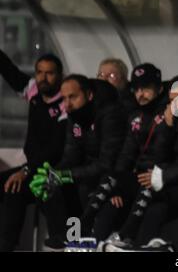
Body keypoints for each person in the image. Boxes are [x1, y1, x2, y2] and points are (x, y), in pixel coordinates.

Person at [104, 74, 178, 251]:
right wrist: (167, 127)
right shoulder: (176, 119)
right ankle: (142, 246)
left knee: (150, 187)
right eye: (173, 101)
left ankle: (125, 237)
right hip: (170, 183)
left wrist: (163, 175)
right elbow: (160, 157)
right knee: (119, 186)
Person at [78, 63, 173, 243]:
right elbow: (126, 154)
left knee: (147, 185)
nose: (140, 94)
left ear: (160, 89)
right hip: (139, 177)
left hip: (161, 179)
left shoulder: (167, 114)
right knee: (111, 182)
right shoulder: (136, 115)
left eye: (146, 88)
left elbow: (163, 153)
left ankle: (124, 236)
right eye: (136, 89)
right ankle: (86, 229)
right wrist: (118, 187)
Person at [29, 75, 128, 249]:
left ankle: (81, 238)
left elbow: (107, 163)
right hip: (90, 173)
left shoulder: (110, 114)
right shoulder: (74, 116)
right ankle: (65, 236)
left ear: (89, 95)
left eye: (72, 97)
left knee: (81, 187)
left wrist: (66, 175)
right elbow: (70, 156)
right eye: (64, 98)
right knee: (49, 187)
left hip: (115, 176)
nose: (67, 104)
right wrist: (53, 175)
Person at [0, 49, 68, 251]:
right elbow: (9, 71)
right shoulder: (34, 92)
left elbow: (56, 149)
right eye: (39, 72)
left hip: (53, 169)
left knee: (18, 187)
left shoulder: (66, 102)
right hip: (31, 166)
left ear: (60, 76)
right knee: (12, 187)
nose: (43, 78)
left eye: (49, 73)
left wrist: (26, 170)